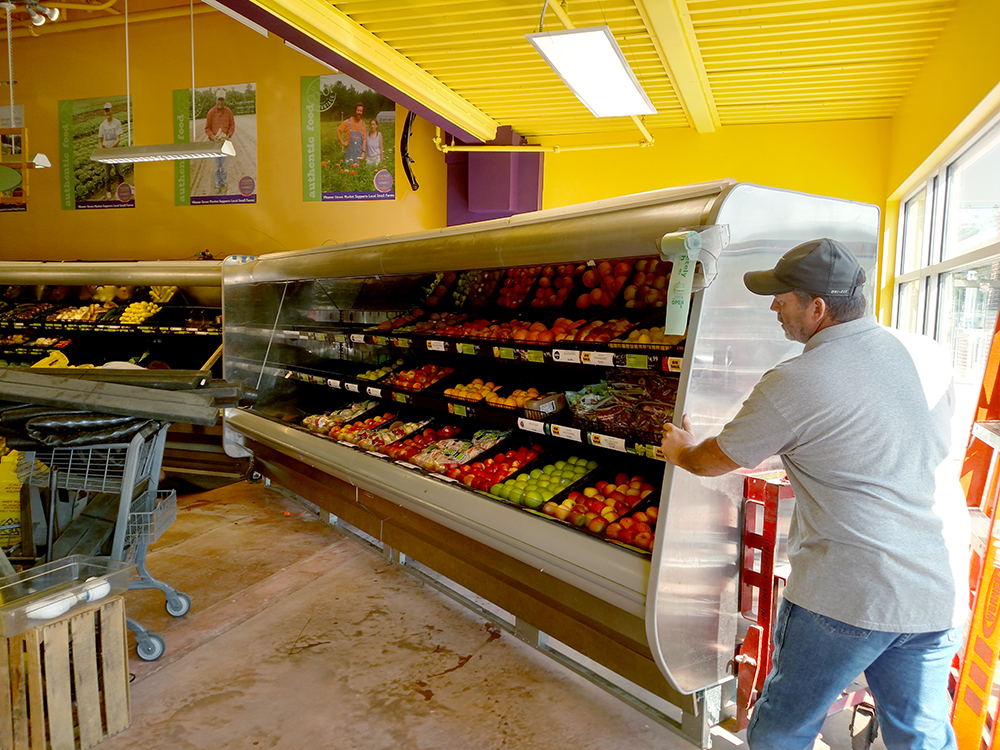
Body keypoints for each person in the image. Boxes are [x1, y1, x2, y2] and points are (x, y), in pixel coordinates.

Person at [660, 238, 971, 750]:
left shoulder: (796, 379)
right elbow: (874, 440)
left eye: (782, 298)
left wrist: (682, 451)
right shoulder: (928, 353)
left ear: (817, 308)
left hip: (849, 593)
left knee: (784, 726)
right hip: (937, 585)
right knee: (921, 734)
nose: (773, 308)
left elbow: (716, 459)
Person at [204, 91, 235, 194]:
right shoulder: (211, 112)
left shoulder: (228, 112)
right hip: (214, 144)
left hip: (225, 143)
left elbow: (232, 126)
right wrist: (213, 137)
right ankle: (217, 185)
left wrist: (228, 135)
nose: (220, 101)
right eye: (218, 99)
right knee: (216, 167)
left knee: (224, 167)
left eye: (222, 99)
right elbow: (207, 128)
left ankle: (223, 183)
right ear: (216, 100)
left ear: (224, 100)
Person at [97, 102, 123, 200]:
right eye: (106, 110)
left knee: (119, 172)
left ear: (112, 110)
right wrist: (101, 148)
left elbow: (118, 139)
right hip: (106, 153)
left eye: (109, 110)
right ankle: (108, 191)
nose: (107, 112)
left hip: (115, 151)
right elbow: (100, 140)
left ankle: (121, 189)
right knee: (107, 174)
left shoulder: (117, 123)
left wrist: (111, 147)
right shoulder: (102, 125)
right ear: (105, 112)